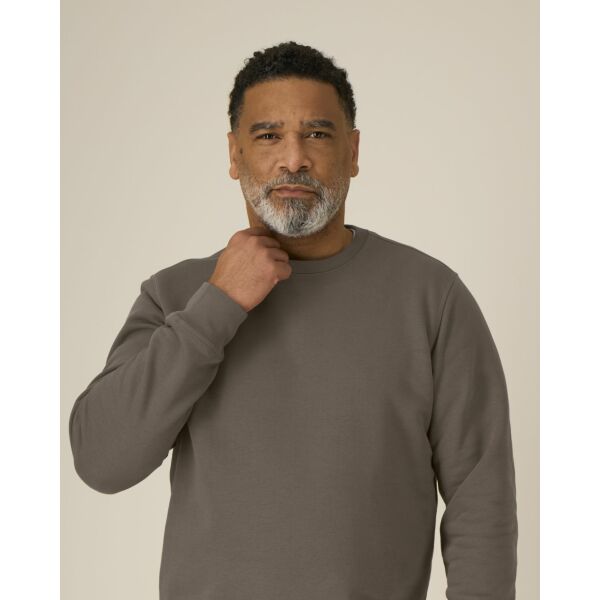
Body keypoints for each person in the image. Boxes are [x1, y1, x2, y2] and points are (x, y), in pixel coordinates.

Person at [69, 41, 518, 600]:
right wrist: (218, 304)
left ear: (353, 151)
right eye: (268, 136)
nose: (294, 159)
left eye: (318, 134)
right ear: (234, 154)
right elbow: (102, 461)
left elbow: (481, 498)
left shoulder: (431, 297)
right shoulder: (177, 296)